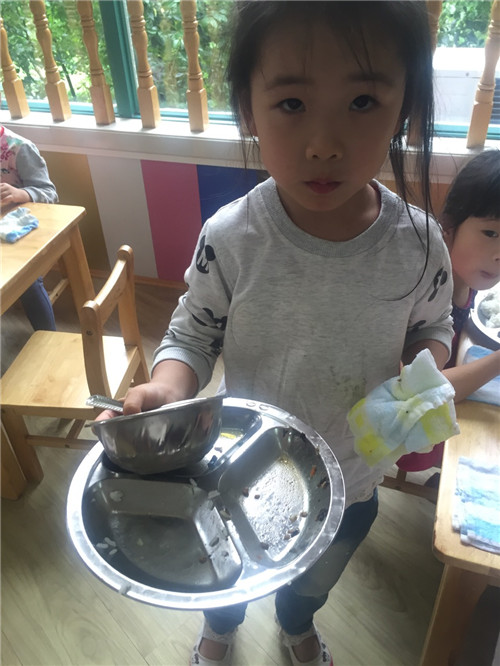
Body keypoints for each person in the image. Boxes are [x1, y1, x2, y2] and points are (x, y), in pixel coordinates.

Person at [99, 3, 454, 664]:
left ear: (404, 110)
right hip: (239, 464)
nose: (324, 143)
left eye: (363, 101)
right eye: (291, 103)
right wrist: (167, 387)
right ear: (248, 110)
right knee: (221, 568)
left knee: (313, 579)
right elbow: (193, 333)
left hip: (351, 474)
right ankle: (220, 627)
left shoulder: (421, 243)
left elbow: (434, 324)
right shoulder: (232, 236)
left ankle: (296, 624)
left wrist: (425, 363)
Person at [397, 149, 500, 479]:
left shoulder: (466, 275)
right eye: (491, 233)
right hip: (406, 417)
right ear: (448, 228)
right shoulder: (425, 290)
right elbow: (423, 390)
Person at [1, 124, 58, 331]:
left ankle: (48, 337)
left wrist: (21, 194)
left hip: (24, 228)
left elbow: (50, 193)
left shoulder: (19, 148)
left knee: (27, 281)